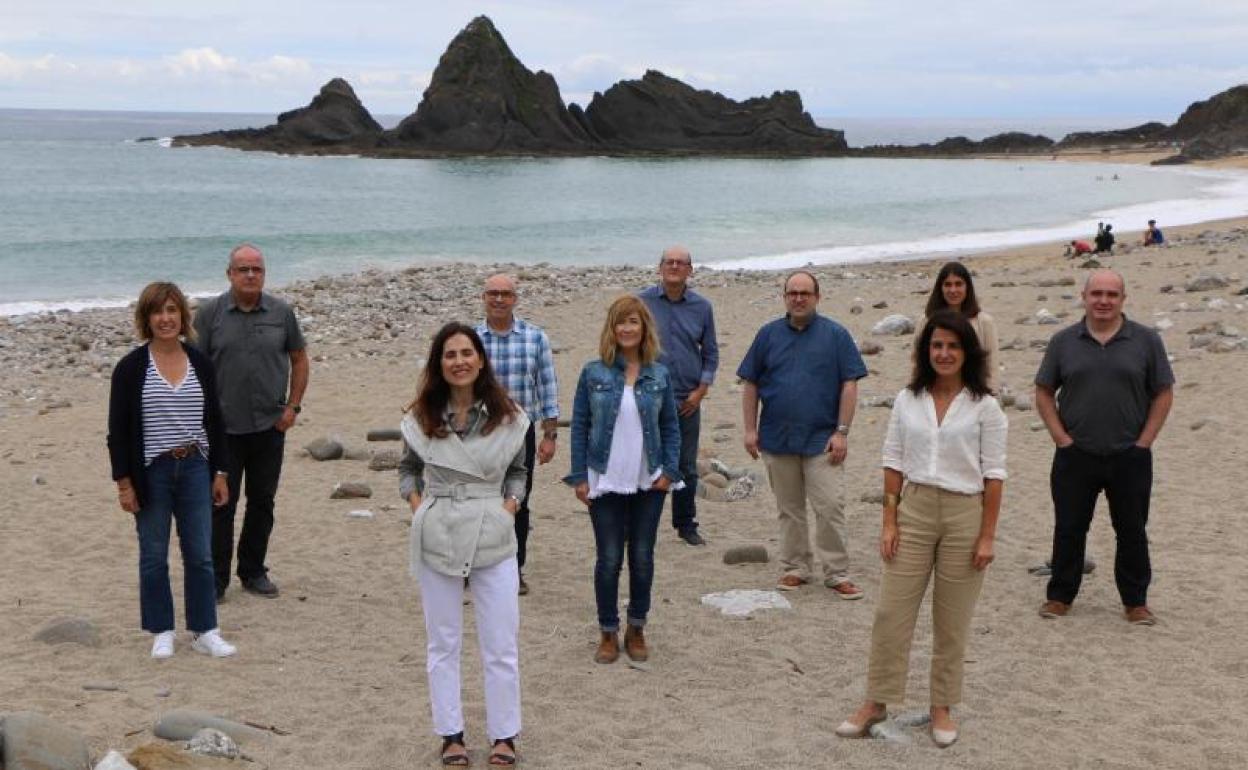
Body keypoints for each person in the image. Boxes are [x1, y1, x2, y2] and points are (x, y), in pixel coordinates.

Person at [837, 310, 1007, 748]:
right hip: (913, 510)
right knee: (891, 612)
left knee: (952, 619)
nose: (944, 353)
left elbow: (994, 475)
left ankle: (941, 706)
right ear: (925, 351)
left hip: (965, 513)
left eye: (952, 345)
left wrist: (987, 536)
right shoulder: (907, 400)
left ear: (966, 351)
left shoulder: (985, 406)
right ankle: (876, 701)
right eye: (936, 345)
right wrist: (889, 521)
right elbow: (892, 461)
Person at [398, 322, 529, 767]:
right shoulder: (421, 418)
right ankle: (450, 734)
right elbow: (408, 469)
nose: (459, 361)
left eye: (466, 353)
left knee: (500, 641)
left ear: (481, 359)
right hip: (438, 528)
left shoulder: (508, 416)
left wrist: (509, 506)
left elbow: (518, 471)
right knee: (443, 640)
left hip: (493, 529)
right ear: (439, 363)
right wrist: (419, 507)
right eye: (450, 354)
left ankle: (504, 736)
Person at [1035, 270, 1174, 625]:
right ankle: (1060, 596)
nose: (1103, 301)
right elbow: (1044, 392)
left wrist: (1145, 442)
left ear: (1123, 299)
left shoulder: (1145, 340)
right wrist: (1060, 438)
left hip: (1130, 455)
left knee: (1131, 529)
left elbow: (1163, 392)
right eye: (1096, 293)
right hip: (1074, 455)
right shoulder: (1063, 341)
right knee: (1069, 527)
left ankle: (1135, 602)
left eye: (1112, 294)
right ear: (1084, 297)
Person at [107, 282, 237, 659]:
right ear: (146, 319)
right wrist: (124, 484)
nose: (165, 319)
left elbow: (215, 421)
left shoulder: (200, 363)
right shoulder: (131, 368)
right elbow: (118, 432)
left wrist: (221, 473)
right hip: (152, 471)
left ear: (182, 315)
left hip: (196, 465)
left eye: (172, 310)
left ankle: (204, 630)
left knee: (200, 553)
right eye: (157, 312)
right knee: (153, 554)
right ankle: (162, 629)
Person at [564, 296, 681, 665]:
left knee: (643, 557)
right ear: (611, 329)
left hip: (649, 479)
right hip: (605, 478)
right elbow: (580, 425)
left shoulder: (659, 373)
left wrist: (670, 471)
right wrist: (581, 476)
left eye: (633, 321)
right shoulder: (593, 372)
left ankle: (637, 628)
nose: (627, 328)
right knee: (609, 558)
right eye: (620, 323)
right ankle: (608, 632)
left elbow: (671, 427)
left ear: (644, 327)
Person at [737, 271, 869, 597]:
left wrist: (842, 432)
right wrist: (750, 429)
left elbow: (849, 384)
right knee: (790, 510)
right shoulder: (767, 335)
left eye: (805, 293)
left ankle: (837, 572)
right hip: (776, 439)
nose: (798, 298)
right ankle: (795, 567)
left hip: (822, 439)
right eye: (792, 293)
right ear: (785, 297)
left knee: (830, 506)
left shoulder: (836, 335)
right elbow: (750, 382)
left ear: (817, 297)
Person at [194, 243, 308, 600]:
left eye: (256, 269)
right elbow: (193, 369)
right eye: (242, 269)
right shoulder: (209, 314)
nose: (249, 275)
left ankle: (253, 571)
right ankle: (215, 580)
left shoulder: (281, 312)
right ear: (229, 274)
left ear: (264, 274)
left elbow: (300, 359)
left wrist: (293, 407)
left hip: (269, 427)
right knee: (220, 506)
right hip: (223, 431)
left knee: (262, 502)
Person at [475, 273, 560, 597]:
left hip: (520, 433)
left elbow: (548, 388)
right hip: (476, 433)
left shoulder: (535, 337)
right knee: (477, 502)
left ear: (515, 299)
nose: (498, 299)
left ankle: (514, 568)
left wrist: (549, 434)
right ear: (483, 297)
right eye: (492, 293)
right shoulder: (471, 337)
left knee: (518, 501)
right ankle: (475, 567)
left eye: (505, 294)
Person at [638, 245, 719, 546]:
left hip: (687, 399)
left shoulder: (702, 307)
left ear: (690, 270)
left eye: (680, 263)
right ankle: (642, 524)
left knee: (685, 465)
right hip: (647, 398)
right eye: (669, 262)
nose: (674, 267)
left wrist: (702, 390)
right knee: (644, 461)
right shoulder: (640, 302)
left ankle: (686, 524)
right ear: (659, 267)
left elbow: (710, 353)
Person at [914, 261, 1000, 392]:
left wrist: (992, 395)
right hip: (935, 392)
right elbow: (917, 360)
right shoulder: (926, 321)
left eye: (958, 284)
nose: (953, 290)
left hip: (973, 392)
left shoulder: (984, 322)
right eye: (948, 285)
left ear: (967, 287)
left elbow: (992, 365)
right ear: (940, 288)